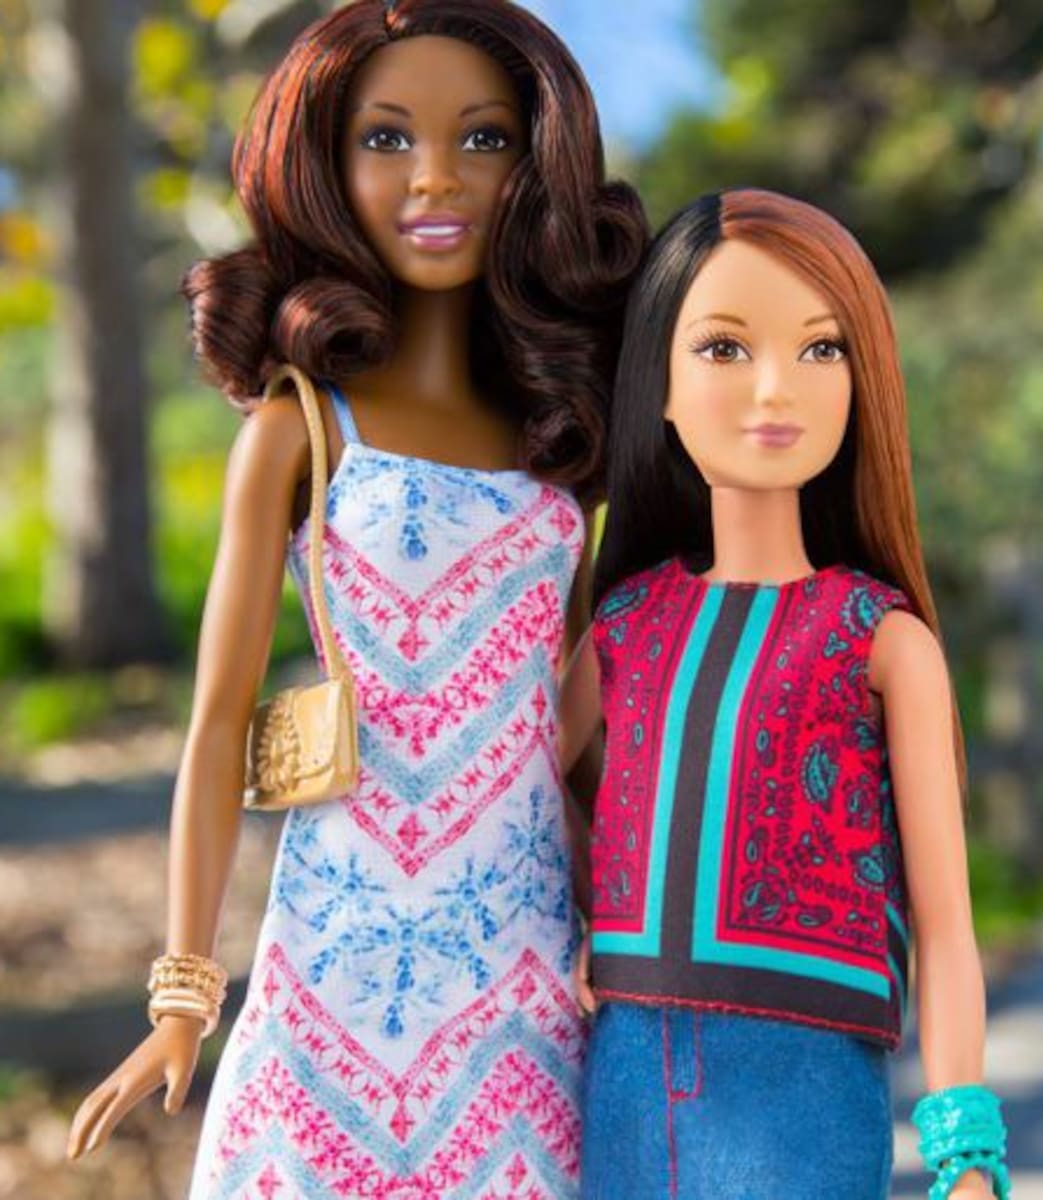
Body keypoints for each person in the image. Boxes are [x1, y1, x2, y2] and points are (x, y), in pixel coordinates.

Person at [66, 3, 646, 1196]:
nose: (436, 177)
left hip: (521, 959)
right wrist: (184, 993)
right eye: (387, 139)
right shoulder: (299, 429)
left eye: (483, 139)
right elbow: (216, 723)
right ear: (326, 169)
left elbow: (571, 724)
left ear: (533, 167)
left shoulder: (559, 440)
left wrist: (627, 934)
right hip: (338, 941)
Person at [558, 189, 1011, 1200]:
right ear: (658, 384)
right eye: (723, 348)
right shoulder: (626, 624)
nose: (776, 389)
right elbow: (517, 784)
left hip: (804, 1085)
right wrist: (593, 896)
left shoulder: (880, 640)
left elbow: (946, 926)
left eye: (821, 349)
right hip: (626, 1074)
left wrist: (966, 1153)